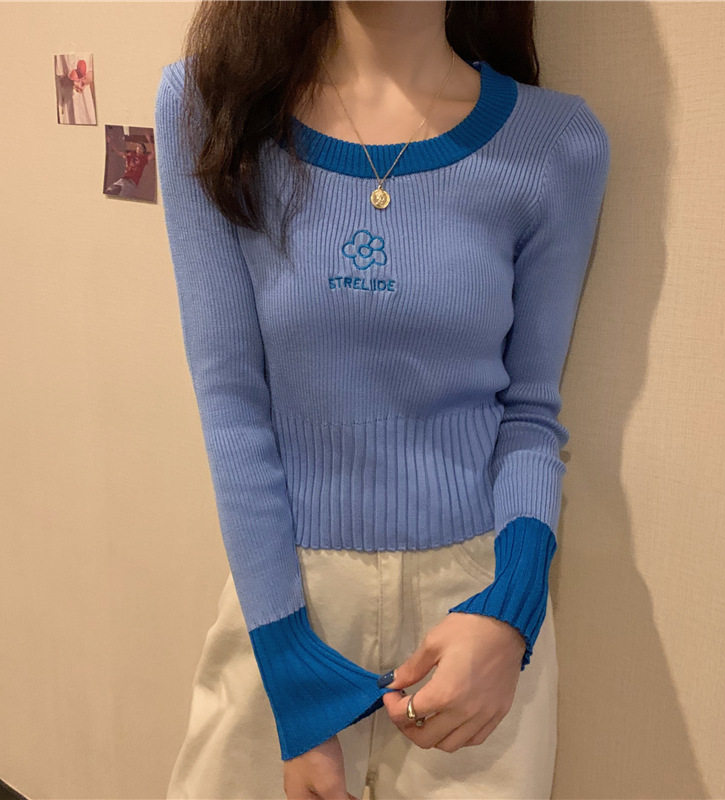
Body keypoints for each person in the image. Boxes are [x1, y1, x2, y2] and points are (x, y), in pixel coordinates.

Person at [154, 2, 610, 798]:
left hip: (476, 620)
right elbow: (230, 400)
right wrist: (292, 677)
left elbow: (532, 412)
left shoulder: (557, 143)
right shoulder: (210, 102)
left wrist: (512, 610)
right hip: (284, 606)